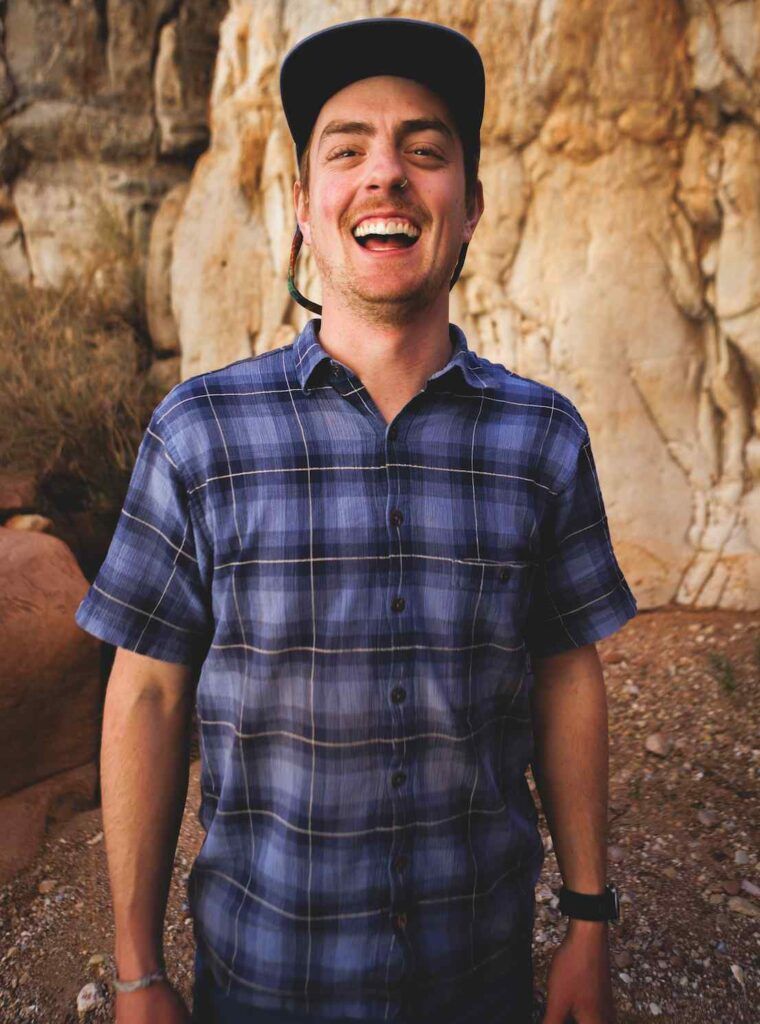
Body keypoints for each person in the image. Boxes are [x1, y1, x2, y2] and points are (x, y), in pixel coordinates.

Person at [74, 16, 637, 1024]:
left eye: (425, 150)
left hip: (480, 980)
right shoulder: (198, 432)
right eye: (347, 151)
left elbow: (564, 672)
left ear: (470, 207)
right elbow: (148, 694)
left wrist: (589, 920)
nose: (386, 174)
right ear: (301, 207)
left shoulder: (542, 436)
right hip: (262, 982)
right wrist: (136, 971)